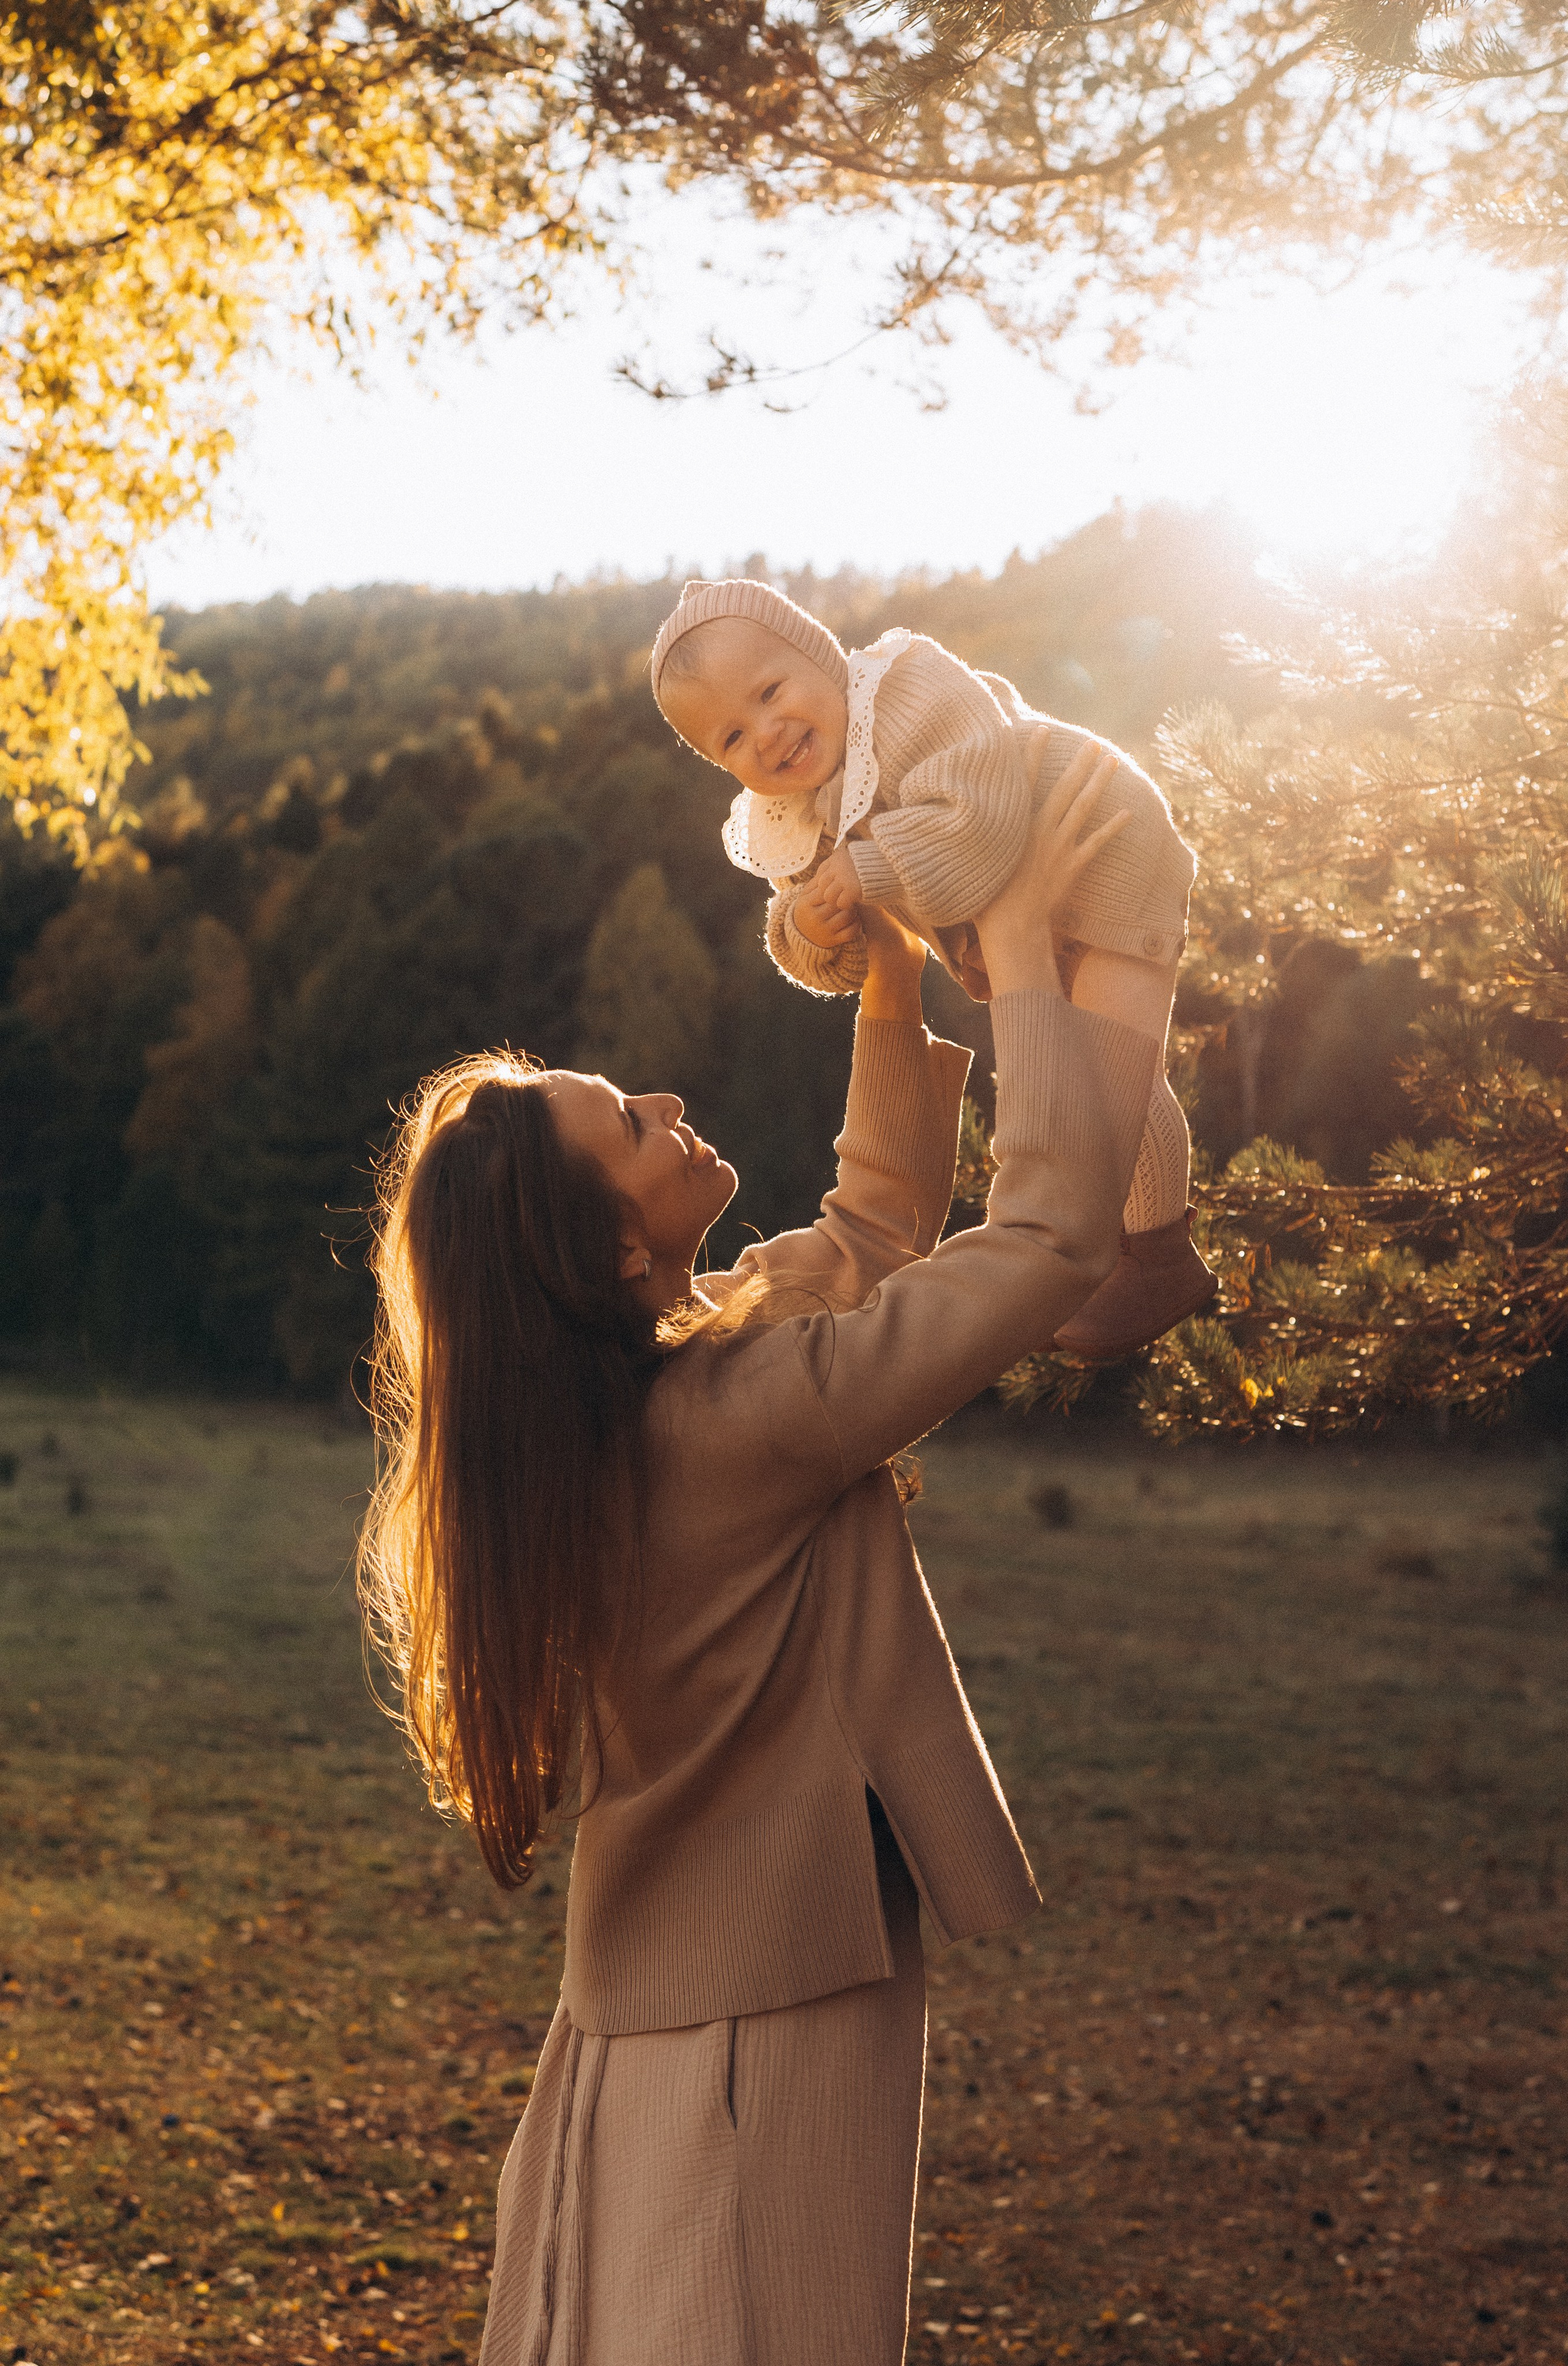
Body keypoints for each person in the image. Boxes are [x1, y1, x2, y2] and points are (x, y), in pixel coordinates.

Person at [357, 743, 1158, 2365]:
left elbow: (867, 1236)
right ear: (617, 1243)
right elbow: (1053, 1236)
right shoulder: (735, 1414)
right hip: (772, 1988)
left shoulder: (657, 1390)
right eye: (628, 1126)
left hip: (667, 1983)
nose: (665, 1103)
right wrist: (1006, 927)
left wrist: (886, 978)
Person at [650, 576, 1217, 1361]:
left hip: (1102, 841)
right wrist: (809, 925)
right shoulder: (801, 812)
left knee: (1110, 1077)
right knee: (1086, 1082)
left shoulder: (908, 689)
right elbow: (839, 953)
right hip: (1027, 919)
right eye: (731, 740)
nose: (766, 733)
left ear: (822, 655)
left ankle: (1152, 1256)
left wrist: (867, 868)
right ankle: (1131, 1253)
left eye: (771, 691)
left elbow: (978, 821)